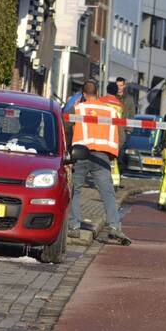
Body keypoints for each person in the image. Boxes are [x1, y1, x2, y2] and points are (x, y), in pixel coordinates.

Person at [69, 80, 132, 245]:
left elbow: (66, 128)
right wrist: (112, 152)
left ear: (83, 94)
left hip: (80, 154)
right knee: (108, 193)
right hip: (102, 158)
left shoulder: (78, 108)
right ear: (98, 93)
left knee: (74, 191)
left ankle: (74, 225)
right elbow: (122, 136)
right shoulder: (110, 111)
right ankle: (114, 227)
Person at [104, 82, 125, 188]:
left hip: (103, 132)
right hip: (115, 133)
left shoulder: (102, 101)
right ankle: (116, 181)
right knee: (113, 158)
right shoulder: (120, 105)